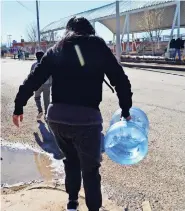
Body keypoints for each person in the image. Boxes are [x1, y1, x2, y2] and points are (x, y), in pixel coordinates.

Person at [13, 17, 133, 211]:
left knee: (71, 161)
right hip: (87, 121)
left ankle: (72, 204)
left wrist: (19, 106)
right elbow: (120, 79)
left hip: (57, 119)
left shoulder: (57, 48)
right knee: (90, 169)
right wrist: (126, 110)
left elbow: (34, 79)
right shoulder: (98, 46)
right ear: (89, 31)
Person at [31, 51, 52, 119]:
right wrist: (50, 84)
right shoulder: (48, 64)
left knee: (37, 98)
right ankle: (46, 114)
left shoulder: (34, 65)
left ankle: (40, 110)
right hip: (47, 84)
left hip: (37, 85)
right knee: (47, 100)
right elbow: (51, 75)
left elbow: (31, 76)